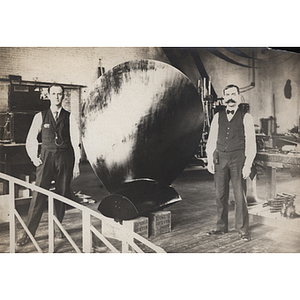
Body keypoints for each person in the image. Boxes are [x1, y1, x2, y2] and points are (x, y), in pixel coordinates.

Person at [17, 83, 81, 246]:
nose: (57, 97)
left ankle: (58, 229)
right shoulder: (40, 116)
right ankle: (28, 234)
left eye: (59, 94)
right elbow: (31, 138)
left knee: (61, 194)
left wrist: (76, 164)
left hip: (65, 159)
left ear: (63, 96)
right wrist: (34, 157)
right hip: (46, 158)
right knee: (38, 195)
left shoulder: (69, 117)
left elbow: (76, 142)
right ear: (49, 95)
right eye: (54, 94)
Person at [206, 84, 256, 242]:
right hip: (220, 159)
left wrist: (248, 164)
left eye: (233, 94)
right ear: (224, 98)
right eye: (227, 95)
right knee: (220, 195)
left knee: (239, 195)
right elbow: (212, 139)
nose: (230, 98)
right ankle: (221, 227)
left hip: (238, 159)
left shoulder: (246, 117)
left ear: (239, 97)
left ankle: (242, 229)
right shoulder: (217, 116)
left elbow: (251, 142)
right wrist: (209, 159)